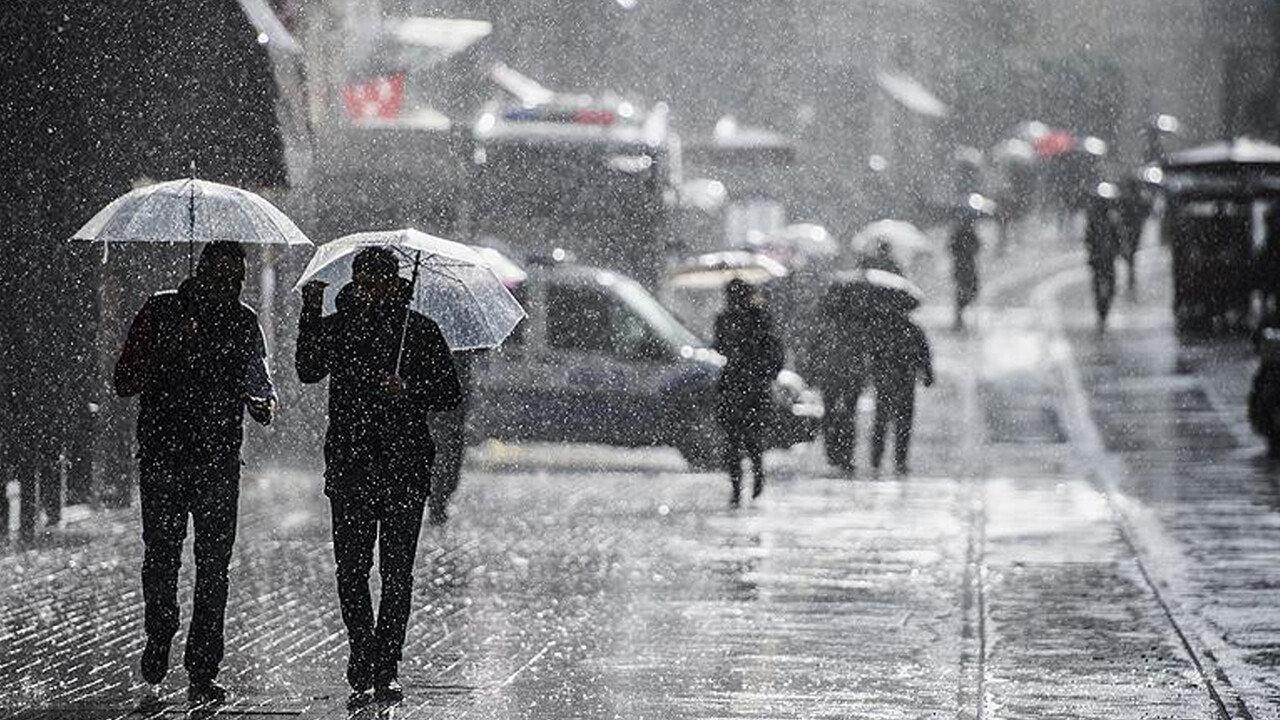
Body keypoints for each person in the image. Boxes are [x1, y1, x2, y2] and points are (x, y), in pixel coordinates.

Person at [296, 247, 462, 708]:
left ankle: (386, 663)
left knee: (396, 572)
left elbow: (449, 393)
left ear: (394, 284)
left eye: (376, 283)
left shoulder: (419, 331)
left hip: (404, 466)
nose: (367, 292)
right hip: (351, 465)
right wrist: (311, 312)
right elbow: (308, 369)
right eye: (362, 282)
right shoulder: (340, 326)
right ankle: (361, 649)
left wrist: (409, 388)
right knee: (351, 570)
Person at [114, 241, 275, 706]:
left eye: (236, 279)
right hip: (164, 458)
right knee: (161, 558)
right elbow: (124, 380)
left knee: (214, 568)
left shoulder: (243, 322)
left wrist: (262, 404)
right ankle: (160, 629)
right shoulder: (161, 311)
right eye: (221, 276)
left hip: (218, 461)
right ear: (201, 272)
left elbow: (260, 383)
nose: (229, 286)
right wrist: (170, 349)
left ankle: (203, 668)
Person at [713, 280, 784, 506]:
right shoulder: (725, 319)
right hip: (736, 385)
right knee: (735, 442)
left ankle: (755, 479)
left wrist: (760, 369)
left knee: (749, 440)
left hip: (750, 386)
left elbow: (772, 350)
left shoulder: (758, 318)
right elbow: (719, 346)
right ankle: (738, 487)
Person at [809, 282, 872, 473]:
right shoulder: (857, 324)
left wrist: (813, 372)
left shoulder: (826, 323)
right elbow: (863, 351)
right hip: (850, 377)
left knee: (830, 414)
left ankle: (833, 453)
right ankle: (845, 454)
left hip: (831, 376)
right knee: (848, 415)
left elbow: (815, 351)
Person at [867, 310, 934, 474]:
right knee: (902, 423)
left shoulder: (882, 330)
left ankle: (877, 459)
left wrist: (874, 374)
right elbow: (924, 356)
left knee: (882, 421)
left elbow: (872, 356)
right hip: (904, 382)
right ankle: (899, 461)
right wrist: (927, 375)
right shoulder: (913, 330)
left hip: (886, 383)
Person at [427, 349, 479, 526]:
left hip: (451, 419)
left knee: (449, 463)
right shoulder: (440, 352)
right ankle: (436, 499)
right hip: (440, 417)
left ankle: (438, 499)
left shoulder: (462, 355)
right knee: (444, 460)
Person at [1084, 186, 1121, 330]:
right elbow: (1089, 239)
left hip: (1105, 259)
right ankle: (1102, 311)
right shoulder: (1096, 219)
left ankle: (1103, 311)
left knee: (1107, 286)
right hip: (1101, 259)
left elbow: (1117, 237)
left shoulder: (1110, 218)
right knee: (1103, 286)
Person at [949, 214, 981, 330]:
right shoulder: (959, 233)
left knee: (969, 290)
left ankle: (960, 315)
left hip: (967, 267)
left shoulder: (969, 233)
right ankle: (959, 316)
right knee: (963, 291)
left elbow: (977, 247)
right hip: (962, 267)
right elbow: (952, 248)